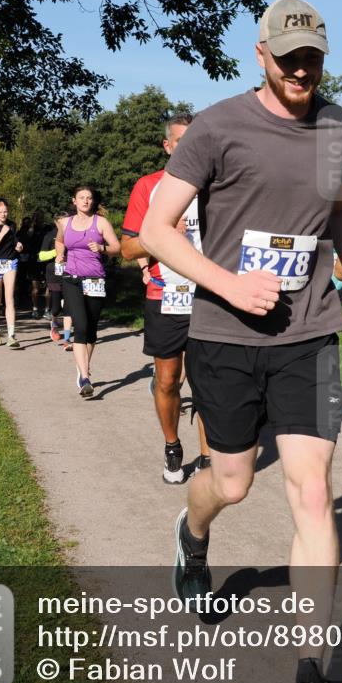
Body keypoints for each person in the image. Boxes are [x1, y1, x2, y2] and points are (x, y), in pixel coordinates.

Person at [140, 0, 342, 683]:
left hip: (309, 334)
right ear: (261, 54)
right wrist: (229, 282)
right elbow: (156, 228)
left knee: (311, 496)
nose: (303, 68)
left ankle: (312, 681)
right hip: (225, 335)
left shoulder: (339, 126)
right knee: (232, 482)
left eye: (313, 56)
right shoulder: (216, 126)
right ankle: (193, 531)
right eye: (289, 56)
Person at [122, 114, 211, 485]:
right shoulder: (149, 186)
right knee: (168, 380)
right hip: (166, 295)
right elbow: (127, 248)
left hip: (209, 295)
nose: (187, 148)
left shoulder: (215, 186)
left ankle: (209, 457)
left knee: (209, 380)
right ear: (167, 146)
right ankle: (173, 445)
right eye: (180, 141)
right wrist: (158, 236)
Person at [56, 185, 120, 396]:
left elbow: (117, 248)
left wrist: (102, 248)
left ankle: (82, 367)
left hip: (95, 279)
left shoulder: (101, 222)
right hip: (72, 279)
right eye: (81, 197)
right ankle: (85, 377)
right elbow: (59, 240)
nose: (85, 201)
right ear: (74, 200)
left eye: (89, 198)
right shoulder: (64, 223)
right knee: (81, 325)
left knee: (91, 329)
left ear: (92, 201)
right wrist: (59, 255)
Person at [0, 198, 24, 348]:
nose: (3, 214)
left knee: (9, 299)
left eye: (6, 211)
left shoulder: (12, 224)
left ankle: (12, 336)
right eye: (0, 212)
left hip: (10, 263)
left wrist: (18, 246)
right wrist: (2, 233)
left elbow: (14, 242)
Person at [38, 211, 73, 350]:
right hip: (54, 274)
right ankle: (53, 323)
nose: (65, 223)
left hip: (70, 272)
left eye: (67, 220)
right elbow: (41, 255)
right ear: (56, 222)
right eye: (62, 221)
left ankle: (66, 338)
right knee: (57, 307)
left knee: (69, 306)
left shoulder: (72, 234)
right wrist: (57, 253)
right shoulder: (49, 236)